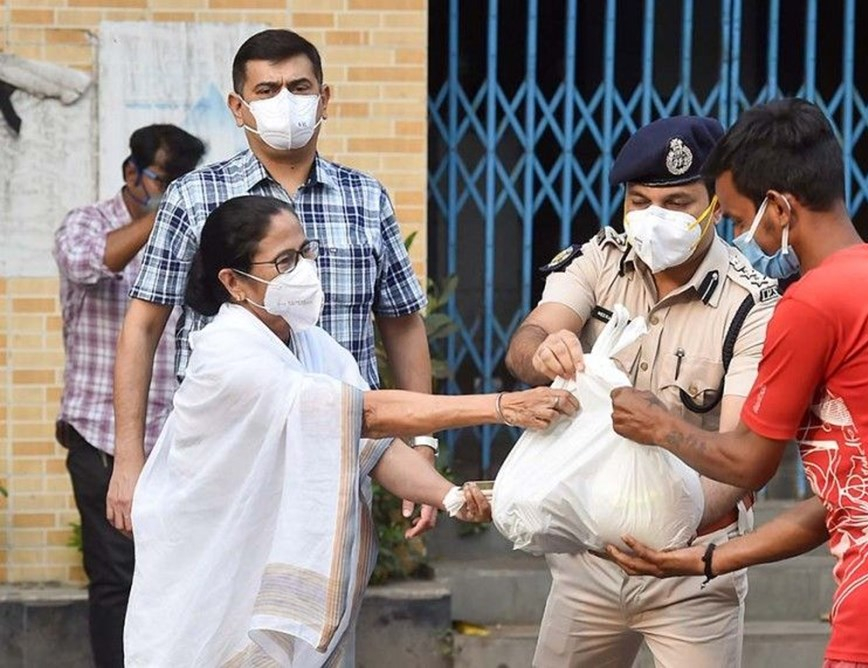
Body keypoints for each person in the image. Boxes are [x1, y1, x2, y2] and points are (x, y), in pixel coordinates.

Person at [605, 98, 868, 667]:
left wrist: (660, 425)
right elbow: (846, 498)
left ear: (780, 209)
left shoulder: (815, 302)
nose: (744, 239)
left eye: (740, 222)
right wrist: (706, 559)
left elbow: (748, 464)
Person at [123, 195, 578, 666]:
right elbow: (367, 414)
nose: (303, 269)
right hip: (212, 569)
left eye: (305, 252)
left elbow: (372, 445)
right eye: (284, 261)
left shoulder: (312, 344)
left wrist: (450, 497)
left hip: (258, 567)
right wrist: (502, 406)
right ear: (234, 282)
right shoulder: (227, 355)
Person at [108, 29, 438, 538]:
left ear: (324, 98)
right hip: (226, 454)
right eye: (267, 90)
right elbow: (142, 327)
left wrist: (422, 449)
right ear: (238, 107)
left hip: (341, 453)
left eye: (299, 87)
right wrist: (128, 459)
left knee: (327, 608)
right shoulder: (194, 197)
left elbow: (402, 323)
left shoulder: (366, 198)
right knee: (218, 608)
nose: (286, 101)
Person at [504, 116, 778, 667]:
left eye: (677, 203)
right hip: (590, 560)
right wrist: (542, 349)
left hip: (693, 564)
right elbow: (526, 342)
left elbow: (742, 457)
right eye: (640, 201)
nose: (656, 219)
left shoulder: (752, 304)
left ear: (716, 206)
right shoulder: (598, 262)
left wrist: (667, 528)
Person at [52, 124, 205, 668]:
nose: (174, 192)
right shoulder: (87, 223)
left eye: (184, 183)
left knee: (175, 575)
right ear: (131, 173)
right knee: (116, 580)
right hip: (100, 440)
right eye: (165, 179)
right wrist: (158, 217)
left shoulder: (190, 236)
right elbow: (86, 261)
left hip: (176, 441)